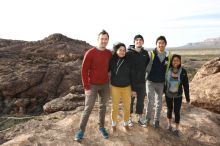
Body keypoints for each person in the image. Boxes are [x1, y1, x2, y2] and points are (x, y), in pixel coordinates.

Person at [74, 30, 112, 141]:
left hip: (105, 85)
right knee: (88, 108)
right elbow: (84, 71)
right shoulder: (90, 53)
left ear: (108, 40)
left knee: (103, 107)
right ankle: (81, 131)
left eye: (106, 39)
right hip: (92, 85)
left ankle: (101, 127)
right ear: (98, 39)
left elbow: (112, 66)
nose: (104, 41)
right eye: (102, 39)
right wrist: (86, 87)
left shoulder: (109, 53)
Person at [145, 36, 171, 129]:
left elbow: (171, 69)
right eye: (159, 43)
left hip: (161, 83)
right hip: (150, 81)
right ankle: (147, 119)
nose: (161, 44)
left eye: (163, 43)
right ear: (156, 44)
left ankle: (156, 120)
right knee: (150, 101)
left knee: (159, 102)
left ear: (165, 44)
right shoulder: (150, 54)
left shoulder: (168, 56)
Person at [109, 42, 133, 134]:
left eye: (124, 50)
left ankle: (126, 123)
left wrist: (133, 88)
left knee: (127, 107)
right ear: (116, 51)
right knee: (114, 107)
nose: (122, 52)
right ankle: (114, 124)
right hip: (115, 87)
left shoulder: (128, 60)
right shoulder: (112, 60)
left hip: (127, 87)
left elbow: (132, 74)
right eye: (120, 50)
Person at [164, 54, 190, 137]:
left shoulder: (183, 71)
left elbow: (186, 85)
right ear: (171, 61)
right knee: (169, 109)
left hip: (178, 95)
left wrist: (187, 98)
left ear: (180, 62)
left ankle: (177, 128)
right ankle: (169, 125)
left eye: (177, 60)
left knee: (177, 111)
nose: (176, 62)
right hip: (168, 94)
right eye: (174, 60)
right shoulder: (167, 69)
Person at [127, 34, 150, 127]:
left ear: (143, 42)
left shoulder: (145, 53)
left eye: (140, 40)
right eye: (137, 40)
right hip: (131, 82)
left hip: (142, 82)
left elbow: (148, 66)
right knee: (130, 101)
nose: (138, 41)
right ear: (134, 42)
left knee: (140, 101)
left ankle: (140, 118)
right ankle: (128, 118)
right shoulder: (128, 53)